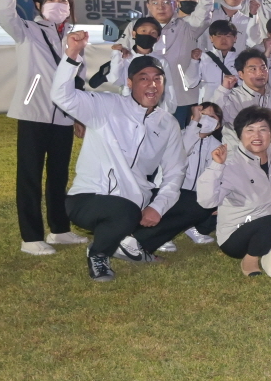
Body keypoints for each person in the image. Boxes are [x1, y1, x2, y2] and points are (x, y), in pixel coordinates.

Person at [53, 32, 187, 282]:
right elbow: (62, 96)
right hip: (90, 198)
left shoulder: (167, 123)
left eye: (157, 79)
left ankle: (133, 246)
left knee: (193, 201)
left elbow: (175, 171)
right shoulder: (106, 106)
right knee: (125, 211)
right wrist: (72, 55)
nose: (152, 85)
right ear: (129, 82)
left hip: (138, 200)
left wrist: (157, 207)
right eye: (143, 78)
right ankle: (99, 253)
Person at [0, 0, 84, 255]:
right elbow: (3, 10)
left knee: (59, 176)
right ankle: (31, 238)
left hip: (63, 117)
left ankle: (60, 230)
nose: (58, 4)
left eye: (63, 0)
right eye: (52, 0)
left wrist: (78, 115)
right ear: (38, 5)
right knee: (30, 178)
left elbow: (78, 78)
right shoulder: (26, 30)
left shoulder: (73, 37)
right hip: (33, 114)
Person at [196, 107, 271, 277]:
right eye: (249, 130)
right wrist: (216, 166)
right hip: (238, 234)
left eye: (263, 129)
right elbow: (207, 202)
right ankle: (250, 258)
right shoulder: (230, 162)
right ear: (239, 135)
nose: (256, 136)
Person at [124, 0, 217, 127]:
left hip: (182, 98)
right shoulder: (135, 27)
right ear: (148, 5)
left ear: (175, 3)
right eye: (155, 2)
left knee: (179, 137)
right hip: (142, 96)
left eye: (166, 2)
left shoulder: (188, 25)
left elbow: (203, 16)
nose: (160, 7)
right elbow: (123, 57)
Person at [156, 103, 224, 248]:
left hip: (194, 194)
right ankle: (161, 233)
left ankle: (189, 226)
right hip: (167, 188)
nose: (207, 119)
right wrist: (195, 126)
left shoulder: (216, 145)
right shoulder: (179, 134)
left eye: (212, 117)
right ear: (194, 117)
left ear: (218, 125)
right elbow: (181, 153)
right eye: (203, 115)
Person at [216, 48, 271, 147]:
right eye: (253, 69)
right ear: (241, 74)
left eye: (263, 68)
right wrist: (223, 90)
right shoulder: (231, 99)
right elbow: (212, 122)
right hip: (237, 154)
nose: (260, 73)